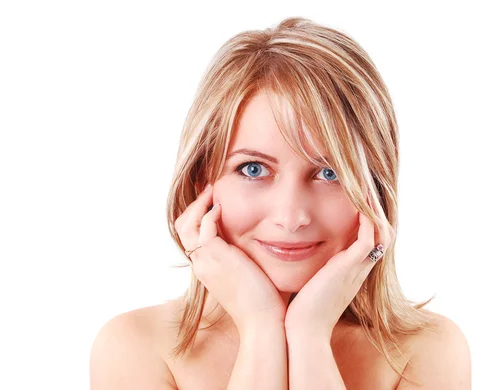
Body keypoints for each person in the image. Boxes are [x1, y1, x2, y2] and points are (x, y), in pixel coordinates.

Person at [90, 16, 471, 389]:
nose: (291, 217)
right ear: (200, 182)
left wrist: (308, 338)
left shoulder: (425, 352)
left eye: (329, 173)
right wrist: (261, 329)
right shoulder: (136, 349)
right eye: (253, 169)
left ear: (375, 190)